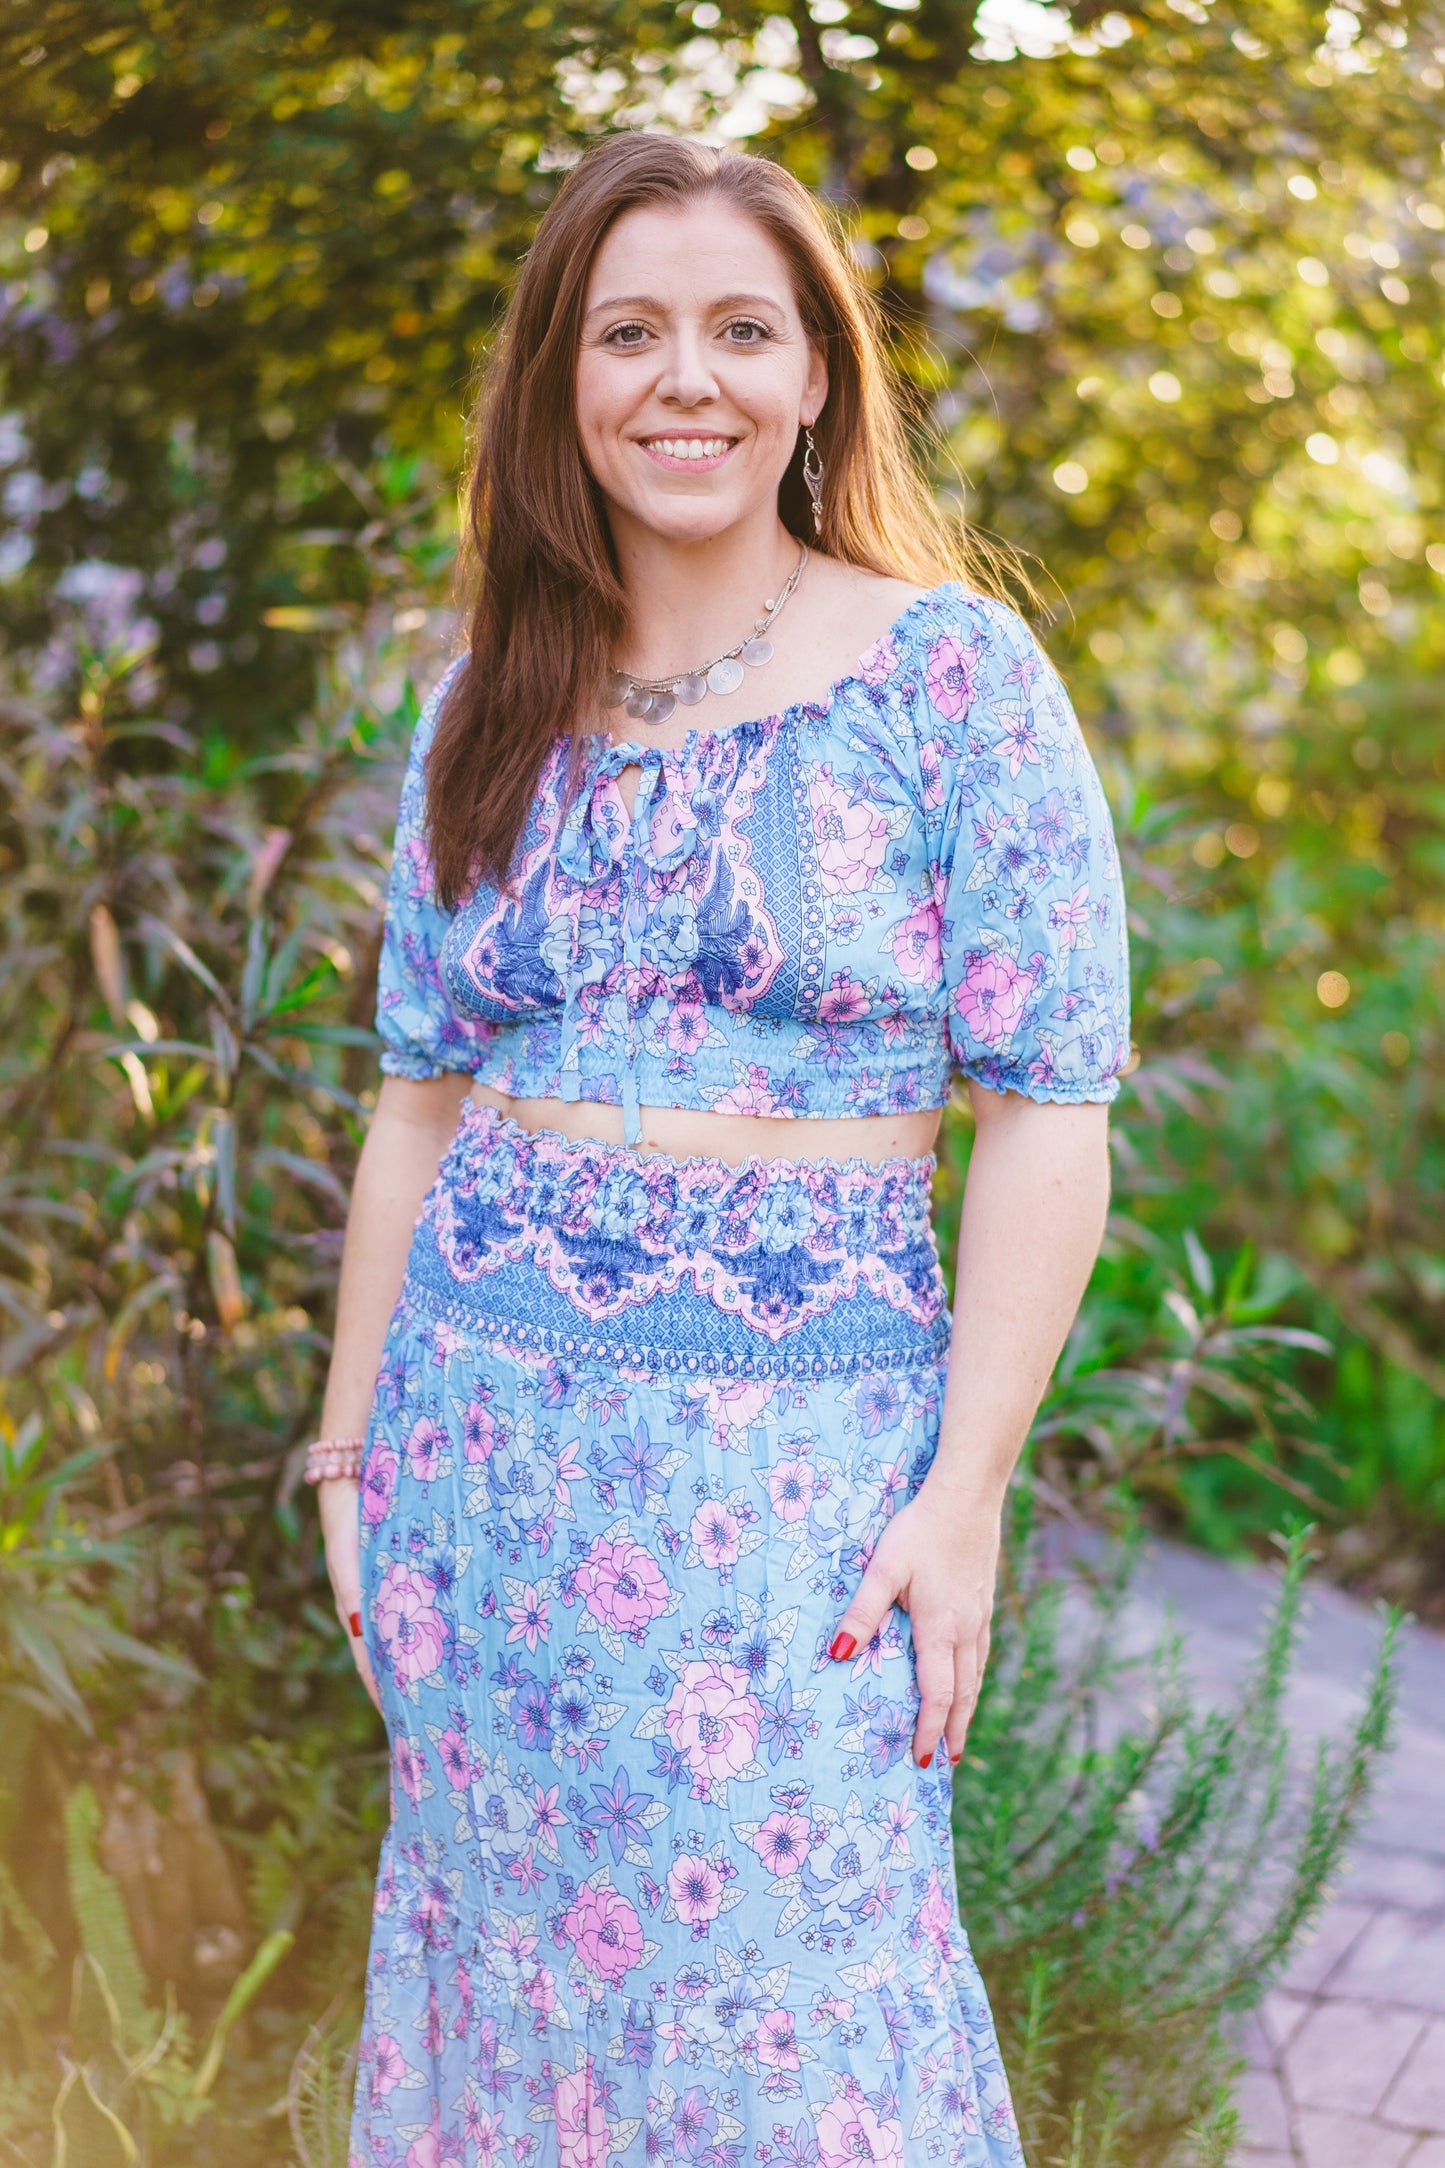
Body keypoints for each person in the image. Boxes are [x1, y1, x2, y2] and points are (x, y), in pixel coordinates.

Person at [313, 131, 1128, 2168]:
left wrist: (966, 1493)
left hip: (796, 1507)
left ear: (817, 377)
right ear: (563, 388)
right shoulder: (484, 706)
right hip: (481, 1476)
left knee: (799, 2014)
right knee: (506, 1994)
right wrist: (350, 1455)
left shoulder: (957, 685)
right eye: (631, 332)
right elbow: (417, 1096)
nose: (687, 378)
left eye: (741, 328)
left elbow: (1049, 1112)